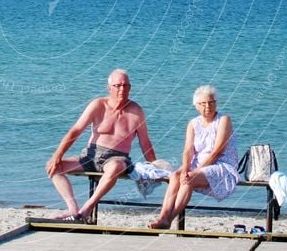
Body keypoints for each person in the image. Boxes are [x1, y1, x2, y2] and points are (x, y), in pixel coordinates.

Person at [46, 69, 156, 222]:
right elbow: (76, 130)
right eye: (117, 85)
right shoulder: (98, 105)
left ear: (130, 88)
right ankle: (72, 209)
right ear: (109, 88)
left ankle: (86, 209)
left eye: (126, 85)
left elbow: (145, 142)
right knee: (53, 168)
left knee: (116, 167)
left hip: (116, 158)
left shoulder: (136, 112)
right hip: (90, 155)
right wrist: (57, 155)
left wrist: (154, 166)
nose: (122, 89)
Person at [148, 84, 238, 229]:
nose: (207, 107)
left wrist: (195, 171)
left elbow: (217, 151)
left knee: (189, 180)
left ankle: (168, 220)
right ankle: (162, 216)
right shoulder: (193, 123)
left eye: (211, 103)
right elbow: (188, 150)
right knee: (176, 176)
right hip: (198, 165)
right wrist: (185, 168)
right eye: (203, 103)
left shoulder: (223, 120)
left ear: (216, 103)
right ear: (196, 105)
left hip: (220, 165)